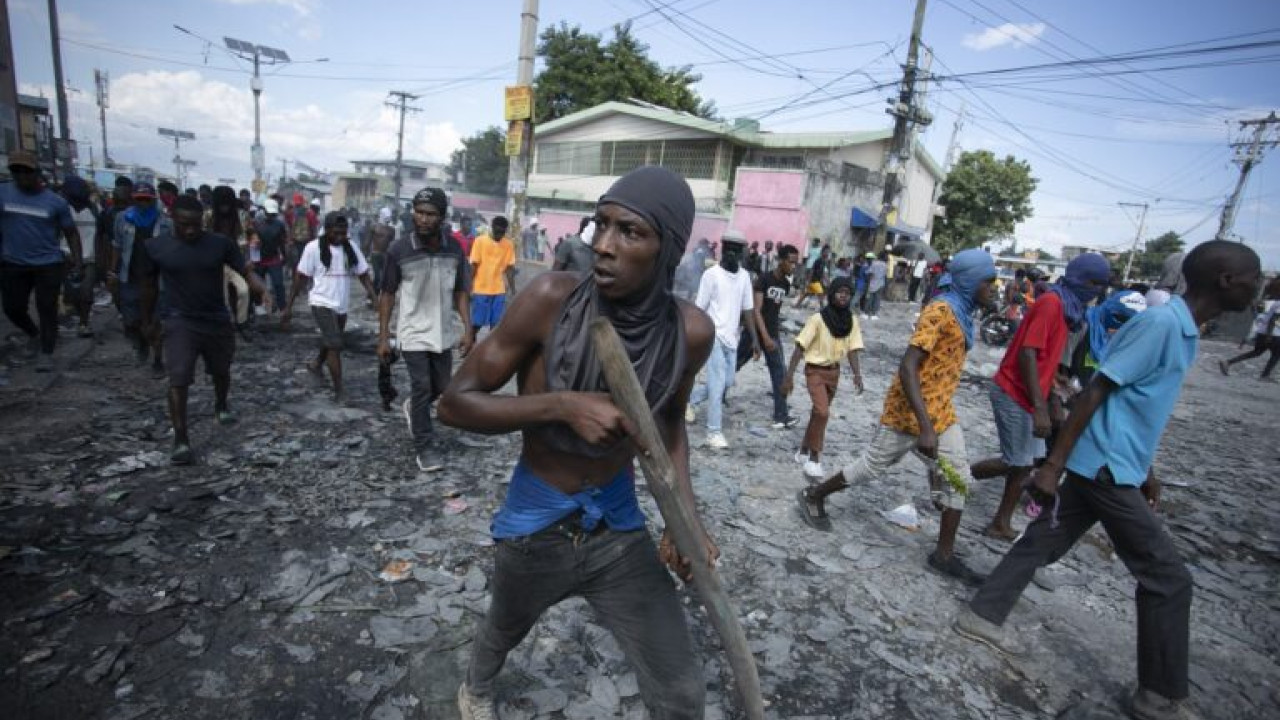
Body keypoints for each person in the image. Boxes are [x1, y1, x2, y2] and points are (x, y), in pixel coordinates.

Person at [437, 166, 715, 720]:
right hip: (536, 522)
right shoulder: (550, 299)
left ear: (669, 250)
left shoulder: (690, 332)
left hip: (616, 525)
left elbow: (671, 428)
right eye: (601, 225)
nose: (604, 247)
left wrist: (686, 522)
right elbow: (453, 403)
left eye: (629, 232)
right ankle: (476, 687)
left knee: (682, 690)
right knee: (503, 626)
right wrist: (560, 405)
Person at [954, 241, 1262, 720]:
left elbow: (1136, 407)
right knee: (1168, 579)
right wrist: (1053, 465)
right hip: (1103, 469)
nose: (1258, 287)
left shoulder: (1184, 330)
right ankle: (1157, 698)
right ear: (1225, 280)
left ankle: (981, 614)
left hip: (1116, 465)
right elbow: (1098, 390)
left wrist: (1147, 470)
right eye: (1253, 278)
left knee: (1042, 542)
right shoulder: (1161, 324)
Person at [797, 249, 999, 584]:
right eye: (987, 281)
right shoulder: (940, 311)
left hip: (942, 411)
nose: (993, 288)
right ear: (969, 281)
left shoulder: (964, 313)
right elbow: (908, 367)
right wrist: (925, 428)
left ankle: (943, 555)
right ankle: (814, 494)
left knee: (958, 476)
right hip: (910, 410)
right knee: (872, 465)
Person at [969, 254, 1111, 541]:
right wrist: (1040, 407)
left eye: (1102, 285)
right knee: (1016, 461)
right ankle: (956, 475)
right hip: (1013, 390)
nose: (1098, 291)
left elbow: (1047, 359)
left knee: (1027, 461)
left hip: (1031, 393)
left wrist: (1057, 394)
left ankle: (1001, 521)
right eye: (1095, 283)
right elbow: (1027, 353)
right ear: (1081, 279)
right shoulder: (1052, 304)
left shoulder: (1070, 311)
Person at [137, 195, 269, 464]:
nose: (191, 230)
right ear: (172, 218)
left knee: (221, 370)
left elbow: (244, 268)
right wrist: (147, 319)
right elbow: (148, 286)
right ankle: (181, 439)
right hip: (179, 319)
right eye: (185, 224)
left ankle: (220, 404)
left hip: (216, 319)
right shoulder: (156, 247)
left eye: (196, 224)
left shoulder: (220, 244)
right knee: (179, 378)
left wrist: (257, 285)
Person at [378, 188, 474, 472]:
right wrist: (384, 336)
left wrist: (469, 330)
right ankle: (424, 446)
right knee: (422, 386)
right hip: (412, 331)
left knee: (442, 387)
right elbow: (387, 294)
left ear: (442, 217)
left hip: (442, 331)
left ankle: (413, 408)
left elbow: (460, 291)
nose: (423, 219)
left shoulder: (454, 249)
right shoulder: (399, 249)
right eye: (419, 212)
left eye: (430, 214)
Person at [282, 212, 376, 404]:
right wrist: (288, 307)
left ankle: (316, 364)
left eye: (343, 233)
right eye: (336, 233)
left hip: (341, 303)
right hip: (321, 302)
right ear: (327, 230)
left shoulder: (350, 248)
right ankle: (339, 391)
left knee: (333, 338)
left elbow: (363, 273)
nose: (340, 237)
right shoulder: (313, 248)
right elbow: (300, 278)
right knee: (334, 344)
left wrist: (373, 295)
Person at [0, 152, 82, 371]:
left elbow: (71, 232)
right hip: (13, 262)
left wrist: (76, 259)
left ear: (37, 173)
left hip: (48, 263)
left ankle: (47, 352)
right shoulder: (3, 194)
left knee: (47, 307)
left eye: (26, 171)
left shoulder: (55, 202)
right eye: (17, 171)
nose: (22, 175)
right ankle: (33, 334)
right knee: (12, 307)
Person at [782, 277, 864, 478]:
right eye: (840, 292)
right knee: (823, 412)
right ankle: (814, 459)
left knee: (817, 414)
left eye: (847, 293)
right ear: (832, 294)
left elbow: (853, 349)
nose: (843, 296)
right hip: (815, 371)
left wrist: (857, 374)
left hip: (833, 373)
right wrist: (789, 376)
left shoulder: (851, 320)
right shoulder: (818, 319)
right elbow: (800, 346)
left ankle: (803, 450)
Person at [689, 230, 759, 449]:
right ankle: (714, 433)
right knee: (718, 386)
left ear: (742, 253)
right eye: (728, 248)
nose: (731, 253)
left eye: (736, 250)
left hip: (733, 338)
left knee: (726, 382)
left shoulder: (745, 277)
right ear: (722, 249)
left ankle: (688, 400)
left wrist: (755, 339)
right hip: (714, 336)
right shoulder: (711, 275)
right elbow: (699, 308)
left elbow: (748, 310)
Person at [112, 182, 173, 370]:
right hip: (130, 277)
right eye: (139, 200)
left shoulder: (165, 223)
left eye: (147, 200)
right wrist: (112, 271)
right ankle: (141, 344)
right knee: (132, 320)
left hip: (157, 279)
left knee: (157, 321)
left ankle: (157, 359)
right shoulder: (122, 219)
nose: (143, 204)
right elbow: (117, 246)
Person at [754, 244, 799, 429]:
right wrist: (764, 338)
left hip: (773, 334)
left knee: (779, 372)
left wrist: (773, 335)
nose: (793, 266)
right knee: (732, 368)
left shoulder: (785, 284)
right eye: (791, 262)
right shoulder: (763, 280)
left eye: (796, 263)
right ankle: (697, 398)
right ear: (780, 261)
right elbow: (757, 311)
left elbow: (774, 311)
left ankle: (780, 416)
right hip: (755, 334)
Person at [59, 176, 98, 338]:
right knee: (71, 294)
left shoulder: (94, 210)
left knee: (86, 293)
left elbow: (100, 235)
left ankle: (84, 322)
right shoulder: (62, 209)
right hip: (66, 258)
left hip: (89, 259)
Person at [1219, 277, 1280, 381]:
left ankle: (1228, 362)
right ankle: (1264, 376)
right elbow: (1273, 319)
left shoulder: (1275, 302)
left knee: (1257, 352)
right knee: (1276, 355)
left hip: (1263, 332)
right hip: (1272, 334)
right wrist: (1269, 335)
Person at [469, 215, 515, 333]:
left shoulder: (508, 244)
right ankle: (469, 347)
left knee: (496, 326)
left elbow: (509, 269)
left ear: (505, 231)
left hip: (499, 291)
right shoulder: (480, 241)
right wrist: (468, 285)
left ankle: (490, 350)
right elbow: (474, 265)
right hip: (481, 289)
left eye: (502, 232)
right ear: (492, 227)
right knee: (477, 324)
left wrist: (513, 291)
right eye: (497, 231)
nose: (499, 235)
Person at [252, 198, 288, 312]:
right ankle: (258, 305)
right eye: (269, 213)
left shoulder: (280, 225)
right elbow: (253, 243)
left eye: (273, 214)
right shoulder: (257, 224)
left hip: (274, 258)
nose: (271, 216)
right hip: (260, 259)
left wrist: (284, 255)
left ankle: (282, 307)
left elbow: (282, 242)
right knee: (258, 284)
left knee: (278, 284)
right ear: (264, 212)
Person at [368, 207, 396, 293]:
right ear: (382, 215)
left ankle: (376, 295)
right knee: (377, 277)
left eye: (389, 217)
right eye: (386, 216)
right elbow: (368, 241)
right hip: (375, 254)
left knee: (384, 278)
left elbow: (391, 244)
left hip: (385, 255)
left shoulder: (392, 230)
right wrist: (365, 255)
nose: (388, 218)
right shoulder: (374, 227)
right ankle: (371, 296)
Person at [864, 251, 888, 319]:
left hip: (873, 283)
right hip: (881, 284)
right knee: (877, 299)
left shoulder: (874, 263)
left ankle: (866, 313)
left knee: (870, 298)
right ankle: (874, 314)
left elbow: (869, 272)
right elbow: (885, 275)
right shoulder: (885, 265)